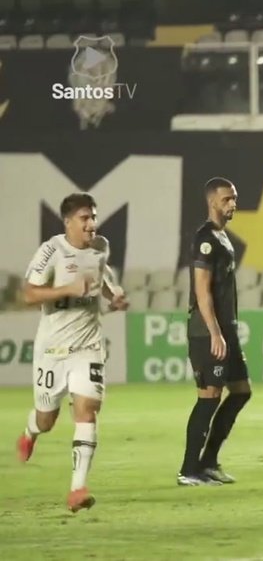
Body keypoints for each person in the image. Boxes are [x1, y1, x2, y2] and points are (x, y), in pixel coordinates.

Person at [16, 193, 129, 512]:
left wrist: (114, 296)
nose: (92, 223)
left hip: (88, 345)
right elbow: (28, 294)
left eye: (93, 216)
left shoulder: (100, 246)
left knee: (87, 410)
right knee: (47, 418)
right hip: (52, 349)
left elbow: (102, 274)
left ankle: (77, 489)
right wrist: (67, 289)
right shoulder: (51, 251)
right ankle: (30, 432)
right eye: (85, 218)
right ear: (68, 222)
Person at [177, 177, 253, 486]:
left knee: (241, 392)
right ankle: (188, 469)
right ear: (212, 202)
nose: (232, 203)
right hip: (208, 332)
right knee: (208, 397)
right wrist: (215, 333)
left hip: (227, 331)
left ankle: (208, 462)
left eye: (234, 198)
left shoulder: (223, 237)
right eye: (226, 199)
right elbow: (202, 290)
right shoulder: (205, 238)